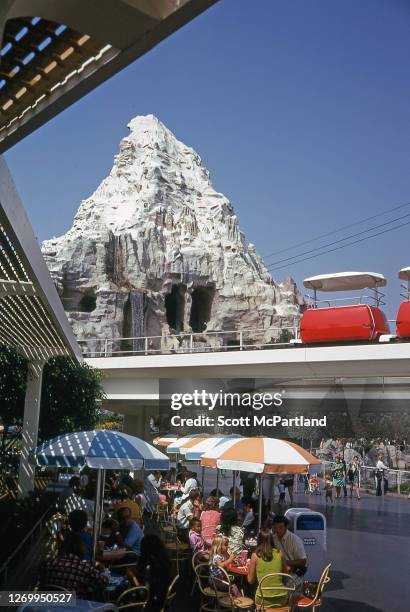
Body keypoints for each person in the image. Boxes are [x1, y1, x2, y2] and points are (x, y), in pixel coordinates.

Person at [39, 527, 109, 599]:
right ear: (81, 548)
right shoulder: (84, 567)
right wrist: (103, 570)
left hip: (47, 605)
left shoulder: (48, 563)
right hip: (74, 607)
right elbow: (103, 582)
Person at [247, 529, 289, 609]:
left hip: (263, 599)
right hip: (281, 598)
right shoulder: (279, 553)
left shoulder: (255, 556)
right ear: (271, 540)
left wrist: (250, 567)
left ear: (258, 540)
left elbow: (250, 580)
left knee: (249, 589)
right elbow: (286, 575)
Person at [136, 534, 172, 612]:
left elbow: (144, 591)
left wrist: (133, 577)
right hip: (162, 600)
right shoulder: (164, 561)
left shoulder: (152, 567)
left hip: (150, 604)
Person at [271, 515, 307, 591]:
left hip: (294, 572)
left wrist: (285, 562)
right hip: (280, 571)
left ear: (286, 527)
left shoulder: (295, 540)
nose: (278, 530)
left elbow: (303, 561)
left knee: (282, 590)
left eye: (280, 528)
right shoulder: (273, 538)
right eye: (276, 528)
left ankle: (286, 600)